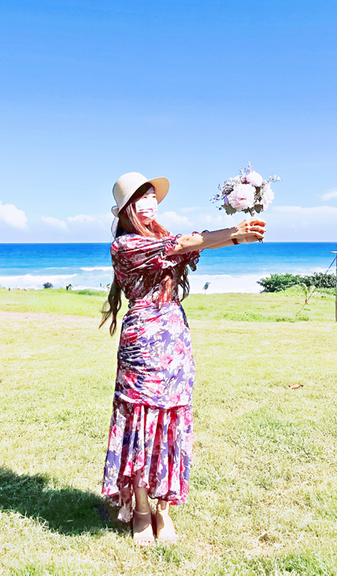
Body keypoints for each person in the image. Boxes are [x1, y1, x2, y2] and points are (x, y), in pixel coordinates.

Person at [100, 172, 265, 546]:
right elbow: (188, 241)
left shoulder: (161, 238)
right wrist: (234, 230)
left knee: (171, 426)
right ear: (125, 210)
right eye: (139, 198)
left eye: (151, 196)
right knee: (141, 425)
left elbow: (199, 243)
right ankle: (141, 510)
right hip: (142, 343)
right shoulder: (125, 246)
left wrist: (241, 234)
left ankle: (164, 511)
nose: (148, 203)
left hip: (175, 341)